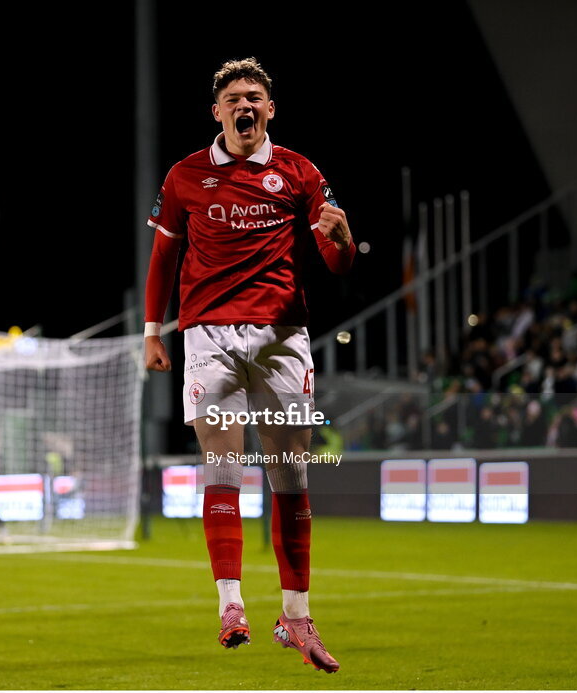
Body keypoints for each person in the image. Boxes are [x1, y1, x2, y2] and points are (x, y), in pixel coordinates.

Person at [142, 57, 354, 673]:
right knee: (224, 467)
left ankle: (295, 617)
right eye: (234, 96)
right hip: (207, 335)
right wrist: (153, 332)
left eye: (255, 96)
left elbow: (336, 264)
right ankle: (231, 605)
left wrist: (340, 241)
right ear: (218, 111)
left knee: (291, 478)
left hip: (283, 336)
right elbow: (162, 258)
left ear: (270, 109)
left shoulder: (299, 172)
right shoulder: (185, 176)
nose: (245, 104)